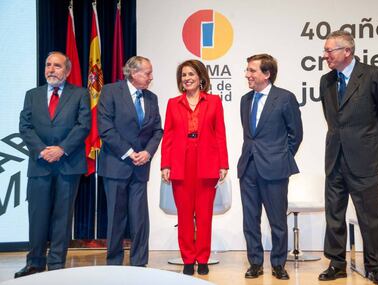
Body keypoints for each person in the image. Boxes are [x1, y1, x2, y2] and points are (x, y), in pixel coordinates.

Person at [318, 30, 378, 285]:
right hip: (335, 159)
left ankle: (375, 267)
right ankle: (337, 263)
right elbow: (332, 119)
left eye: (329, 50)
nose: (325, 55)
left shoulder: (372, 75)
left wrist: (370, 143)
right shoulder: (326, 81)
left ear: (347, 51)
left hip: (365, 159)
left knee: (370, 216)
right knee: (334, 214)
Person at [16, 51, 91, 278]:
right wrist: (41, 150)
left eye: (57, 66)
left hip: (68, 164)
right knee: (37, 215)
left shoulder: (80, 94)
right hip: (40, 164)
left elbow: (83, 125)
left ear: (67, 71)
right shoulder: (32, 95)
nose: (51, 69)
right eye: (48, 65)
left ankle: (56, 264)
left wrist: (61, 149)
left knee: (62, 216)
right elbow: (25, 126)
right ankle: (35, 262)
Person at [238, 54, 303, 280]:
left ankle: (278, 264)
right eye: (247, 70)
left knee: (277, 220)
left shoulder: (285, 98)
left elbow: (296, 135)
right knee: (250, 220)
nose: (247, 75)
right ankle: (255, 263)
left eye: (252, 71)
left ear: (267, 74)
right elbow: (250, 136)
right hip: (248, 167)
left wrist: (280, 158)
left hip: (275, 169)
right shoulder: (245, 100)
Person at [161, 59, 229, 276]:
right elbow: (168, 136)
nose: (187, 78)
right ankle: (188, 259)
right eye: (183, 75)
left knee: (204, 215)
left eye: (191, 74)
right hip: (181, 163)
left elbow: (220, 134)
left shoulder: (214, 101)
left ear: (201, 77)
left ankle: (203, 258)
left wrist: (223, 163)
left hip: (207, 162)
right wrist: (166, 164)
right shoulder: (173, 103)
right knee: (184, 216)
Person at [98, 56, 163, 266]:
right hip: (116, 165)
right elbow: (105, 128)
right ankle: (114, 263)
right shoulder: (110, 91)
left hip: (140, 167)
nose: (151, 77)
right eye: (148, 72)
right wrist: (128, 152)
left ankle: (139, 263)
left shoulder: (151, 98)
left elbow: (157, 130)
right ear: (133, 73)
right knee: (116, 219)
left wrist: (148, 152)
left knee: (140, 218)